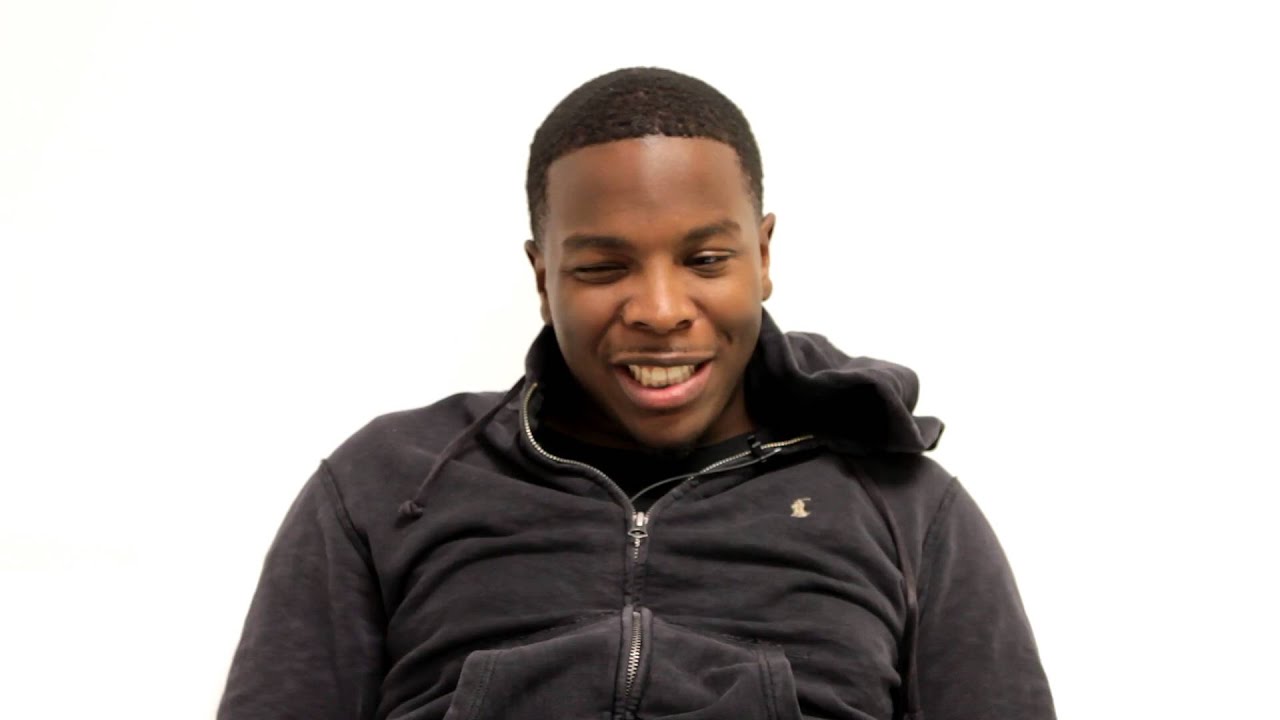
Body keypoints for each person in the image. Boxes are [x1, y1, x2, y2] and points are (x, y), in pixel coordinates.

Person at [218, 67, 1056, 720]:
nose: (659, 310)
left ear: (763, 256)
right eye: (601, 267)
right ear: (542, 278)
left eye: (706, 260)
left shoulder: (906, 508)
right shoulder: (383, 488)